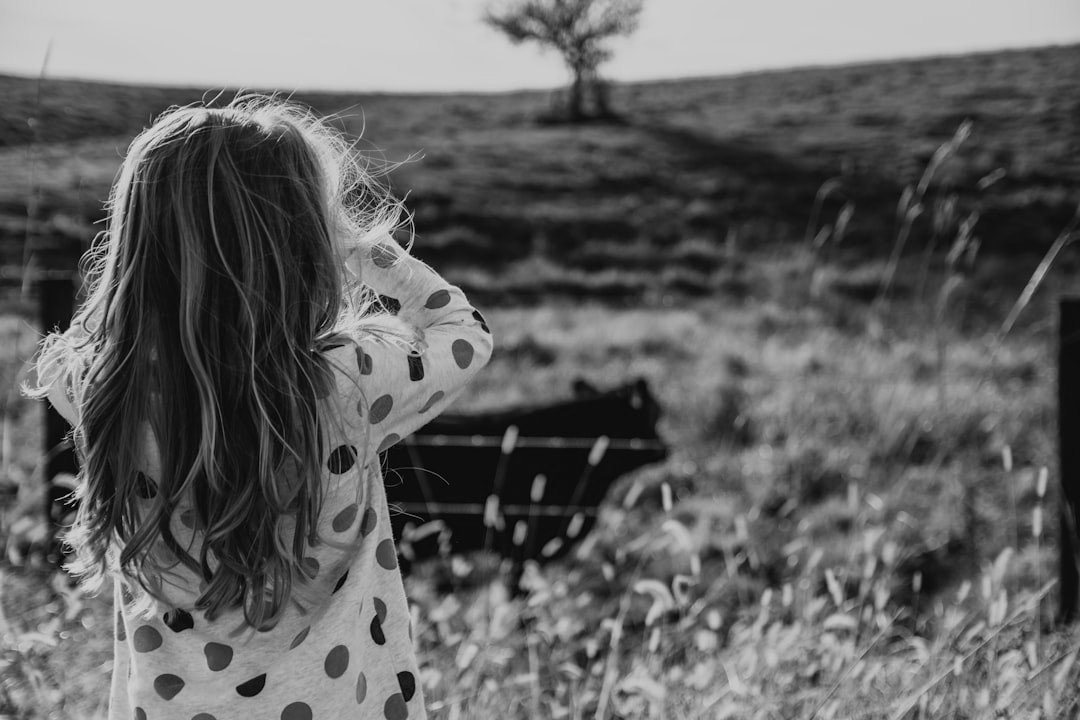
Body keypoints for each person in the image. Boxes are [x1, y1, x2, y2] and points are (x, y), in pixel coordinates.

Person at [25, 95, 493, 720]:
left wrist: (139, 283)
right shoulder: (345, 384)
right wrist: (358, 246)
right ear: (309, 247)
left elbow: (71, 349)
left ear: (136, 248)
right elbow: (463, 332)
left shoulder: (100, 388)